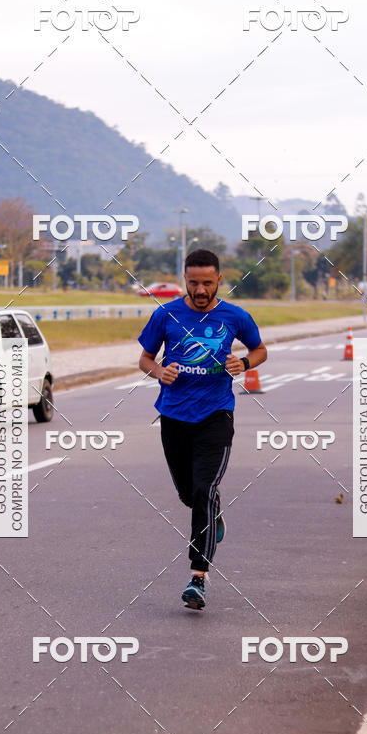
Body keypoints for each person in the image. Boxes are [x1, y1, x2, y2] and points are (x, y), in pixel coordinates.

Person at [137, 248, 267, 610]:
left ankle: (198, 576)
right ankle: (214, 511)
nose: (200, 289)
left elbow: (260, 350)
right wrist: (158, 371)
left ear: (219, 280)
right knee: (188, 494)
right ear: (185, 280)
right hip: (174, 417)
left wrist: (243, 362)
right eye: (193, 282)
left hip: (216, 415)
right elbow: (145, 358)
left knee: (205, 488)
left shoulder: (234, 316)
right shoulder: (166, 315)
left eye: (207, 283)